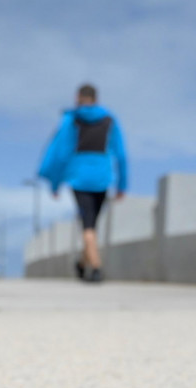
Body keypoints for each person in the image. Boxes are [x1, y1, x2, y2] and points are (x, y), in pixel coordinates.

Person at [38, 83, 128, 283]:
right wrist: (122, 184)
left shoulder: (72, 119)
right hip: (103, 178)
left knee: (89, 226)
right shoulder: (110, 120)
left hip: (78, 177)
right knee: (91, 225)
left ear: (78, 97)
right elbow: (121, 155)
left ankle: (87, 265)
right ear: (96, 98)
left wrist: (55, 183)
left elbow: (61, 153)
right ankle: (91, 266)